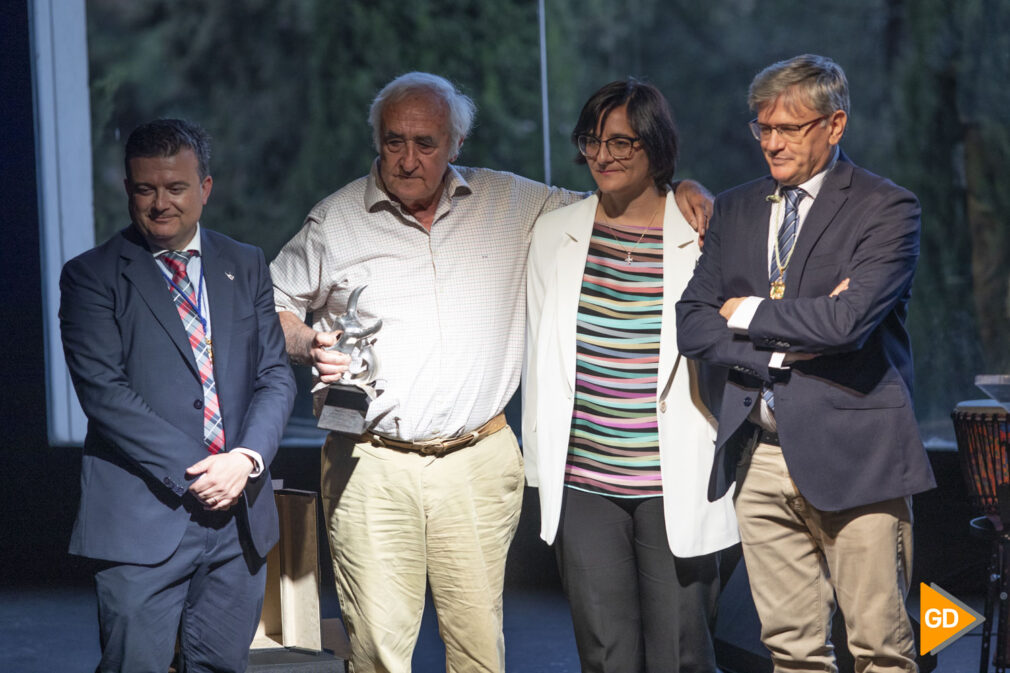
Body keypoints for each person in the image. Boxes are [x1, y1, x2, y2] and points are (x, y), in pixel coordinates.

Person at [270, 71, 713, 673]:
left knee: (480, 652)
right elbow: (273, 304)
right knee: (377, 649)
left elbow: (618, 197)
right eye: (394, 141)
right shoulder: (336, 219)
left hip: (476, 459)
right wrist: (306, 340)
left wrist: (686, 186)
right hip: (370, 460)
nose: (408, 159)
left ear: (456, 145)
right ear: (377, 141)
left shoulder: (514, 202)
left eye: (426, 143)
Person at [676, 54, 936, 672]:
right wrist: (784, 326)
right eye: (762, 128)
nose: (772, 143)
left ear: (834, 125)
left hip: (857, 456)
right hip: (758, 456)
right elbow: (692, 324)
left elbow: (848, 325)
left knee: (880, 649)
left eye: (789, 129)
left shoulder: (887, 208)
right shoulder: (735, 208)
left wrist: (740, 311)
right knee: (789, 651)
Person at [59, 119, 296, 673]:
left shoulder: (246, 263)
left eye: (175, 188)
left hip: (238, 517)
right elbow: (105, 396)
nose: (160, 203)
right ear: (128, 190)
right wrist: (203, 470)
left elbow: (275, 376)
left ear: (205, 188)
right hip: (143, 520)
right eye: (145, 189)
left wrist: (244, 460)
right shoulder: (91, 277)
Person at [523, 79, 738, 673]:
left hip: (677, 477)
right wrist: (541, 470)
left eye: (623, 142)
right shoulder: (555, 233)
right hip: (585, 480)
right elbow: (539, 355)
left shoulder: (700, 231)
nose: (604, 155)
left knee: (682, 653)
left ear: (656, 146)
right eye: (593, 141)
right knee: (605, 654)